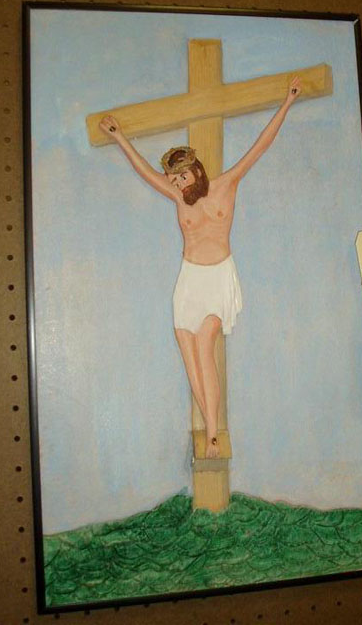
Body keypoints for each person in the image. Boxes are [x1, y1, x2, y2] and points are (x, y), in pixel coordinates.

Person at [99, 77, 302, 458]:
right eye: (173, 178)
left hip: (218, 276)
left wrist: (288, 103)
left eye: (183, 176)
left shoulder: (227, 185)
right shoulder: (179, 197)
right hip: (189, 280)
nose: (177, 183)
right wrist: (119, 137)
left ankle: (212, 435)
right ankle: (210, 426)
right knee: (188, 353)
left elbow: (260, 145)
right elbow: (144, 172)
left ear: (197, 171)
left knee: (205, 345)